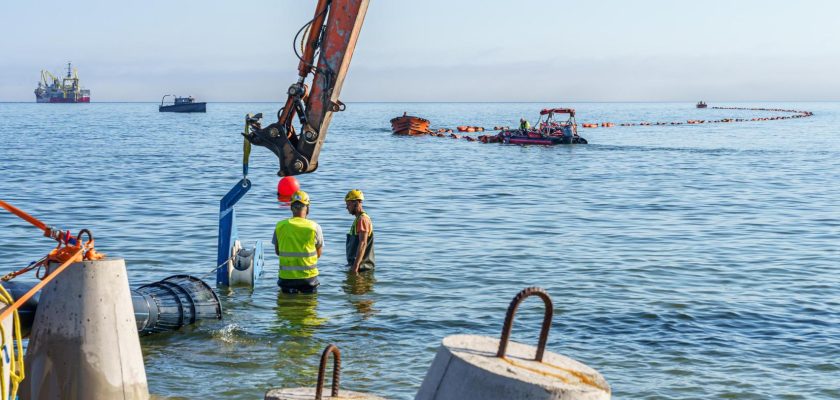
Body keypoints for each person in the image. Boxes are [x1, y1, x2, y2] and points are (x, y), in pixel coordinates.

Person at [273, 190, 323, 294]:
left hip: (286, 278)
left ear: (291, 207)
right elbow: (318, 254)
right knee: (309, 308)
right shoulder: (315, 227)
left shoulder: (280, 226)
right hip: (308, 278)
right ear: (307, 208)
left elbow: (278, 252)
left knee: (285, 308)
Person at [345, 189, 375, 273]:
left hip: (362, 268)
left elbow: (363, 243)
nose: (346, 207)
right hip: (358, 267)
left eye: (348, 204)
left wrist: (356, 266)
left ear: (356, 203)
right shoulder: (358, 219)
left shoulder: (363, 219)